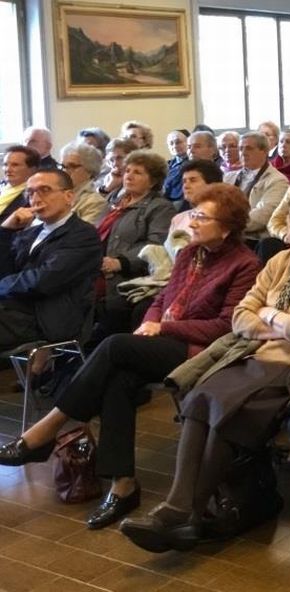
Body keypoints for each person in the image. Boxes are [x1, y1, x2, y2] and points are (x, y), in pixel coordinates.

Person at [0, 183, 260, 530]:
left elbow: (226, 326)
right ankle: (123, 485)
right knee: (118, 380)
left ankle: (49, 428)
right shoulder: (188, 254)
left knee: (114, 346)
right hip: (167, 339)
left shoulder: (244, 263)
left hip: (202, 351)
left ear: (226, 227)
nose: (192, 222)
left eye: (202, 217)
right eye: (194, 213)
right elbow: (161, 299)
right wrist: (153, 320)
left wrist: (164, 329)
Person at [119, 187, 290, 553]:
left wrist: (265, 315)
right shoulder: (280, 260)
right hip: (250, 355)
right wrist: (279, 319)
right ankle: (180, 510)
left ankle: (185, 514)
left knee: (225, 409)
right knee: (201, 397)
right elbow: (239, 318)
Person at [0, 169, 101, 351]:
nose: (36, 199)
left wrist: (1, 286)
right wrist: (5, 231)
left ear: (69, 196)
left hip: (47, 319)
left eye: (44, 190)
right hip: (15, 312)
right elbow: (6, 270)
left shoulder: (83, 235)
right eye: (30, 193)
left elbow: (44, 280)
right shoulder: (30, 233)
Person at [94, 150, 176, 338]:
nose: (129, 175)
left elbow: (156, 244)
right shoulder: (114, 201)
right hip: (96, 268)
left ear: (153, 180)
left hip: (128, 276)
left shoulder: (160, 207)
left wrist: (120, 262)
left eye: (138, 172)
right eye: (128, 170)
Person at [223, 132, 290, 243]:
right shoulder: (228, 177)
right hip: (227, 234)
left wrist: (225, 225)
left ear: (264, 151)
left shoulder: (277, 180)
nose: (243, 153)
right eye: (240, 149)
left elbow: (262, 216)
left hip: (254, 239)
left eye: (249, 148)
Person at [168, 159, 226, 253]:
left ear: (211, 184)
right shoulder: (178, 219)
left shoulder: (222, 217)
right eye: (184, 181)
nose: (186, 186)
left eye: (193, 180)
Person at [1, 146, 39, 278]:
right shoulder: (2, 187)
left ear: (32, 169)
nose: (7, 169)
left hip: (8, 255)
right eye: (5, 164)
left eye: (15, 165)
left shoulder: (34, 197)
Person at [59, 142, 109, 225]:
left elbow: (82, 235)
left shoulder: (96, 203)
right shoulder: (57, 194)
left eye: (72, 166)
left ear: (89, 170)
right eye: (63, 166)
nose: (65, 171)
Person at [161, 129, 190, 203]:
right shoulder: (166, 165)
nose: (175, 146)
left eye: (178, 142)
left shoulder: (192, 164)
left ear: (188, 143)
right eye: (171, 143)